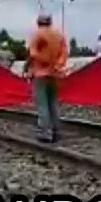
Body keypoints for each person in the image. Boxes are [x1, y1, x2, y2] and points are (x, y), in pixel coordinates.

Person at [27, 13, 67, 143]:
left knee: (42, 104)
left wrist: (44, 61)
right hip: (55, 74)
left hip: (40, 74)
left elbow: (33, 53)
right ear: (50, 22)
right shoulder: (59, 35)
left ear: (39, 22)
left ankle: (45, 132)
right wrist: (56, 65)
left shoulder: (37, 34)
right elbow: (64, 54)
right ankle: (56, 131)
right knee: (53, 102)